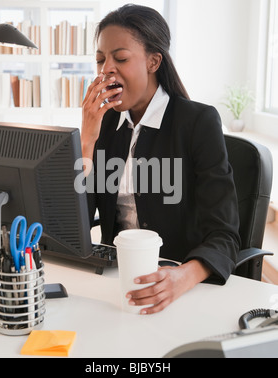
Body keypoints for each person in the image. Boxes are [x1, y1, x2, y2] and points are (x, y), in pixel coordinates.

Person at [81, 4, 240, 315]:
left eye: (121, 58)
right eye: (101, 60)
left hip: (182, 285)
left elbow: (224, 234)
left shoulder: (198, 122)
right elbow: (77, 221)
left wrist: (184, 276)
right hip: (117, 285)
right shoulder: (106, 125)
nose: (106, 70)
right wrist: (87, 142)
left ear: (154, 61)